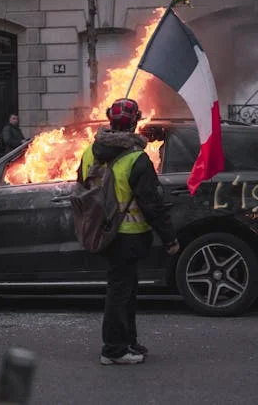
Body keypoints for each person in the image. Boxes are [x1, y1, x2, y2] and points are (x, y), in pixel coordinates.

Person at [77, 98, 180, 366]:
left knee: (126, 289)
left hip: (102, 231)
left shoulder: (90, 151)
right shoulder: (137, 159)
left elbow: (81, 186)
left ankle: (128, 341)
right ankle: (113, 349)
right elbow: (152, 204)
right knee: (121, 291)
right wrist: (169, 238)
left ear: (110, 119)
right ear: (135, 122)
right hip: (129, 235)